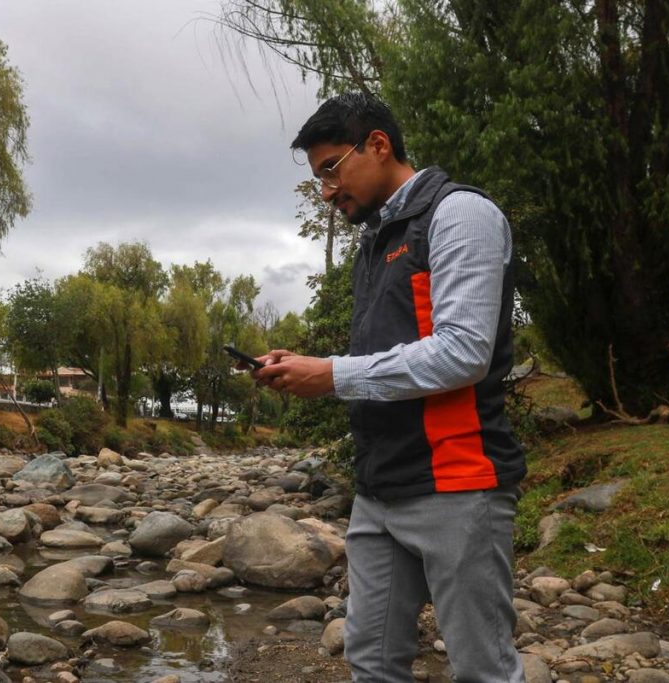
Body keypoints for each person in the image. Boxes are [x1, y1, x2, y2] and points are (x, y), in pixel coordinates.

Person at [253, 92, 527, 682]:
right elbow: (385, 355)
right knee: (372, 665)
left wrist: (329, 375)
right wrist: (312, 367)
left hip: (459, 483)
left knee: (483, 670)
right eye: (318, 177)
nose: (327, 190)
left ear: (378, 144)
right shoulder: (375, 242)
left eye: (331, 169)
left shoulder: (462, 216)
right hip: (379, 492)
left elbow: (464, 352)